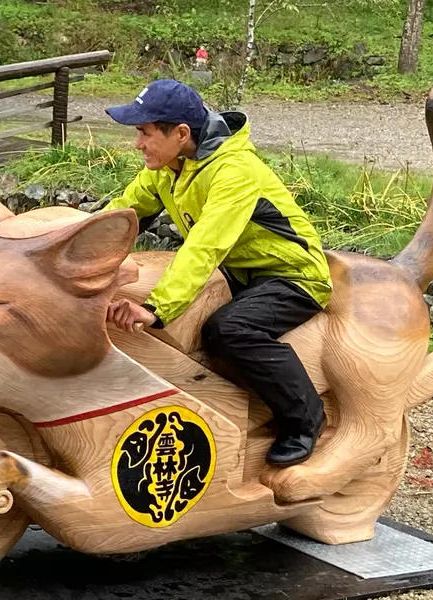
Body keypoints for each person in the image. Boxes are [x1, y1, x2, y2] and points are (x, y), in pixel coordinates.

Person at [101, 79, 332, 467]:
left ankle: (305, 420)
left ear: (181, 133)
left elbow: (205, 244)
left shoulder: (234, 170)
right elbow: (121, 212)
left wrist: (157, 308)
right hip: (239, 274)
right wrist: (64, 246)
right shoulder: (169, 166)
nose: (138, 143)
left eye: (144, 133)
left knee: (228, 329)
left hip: (291, 276)